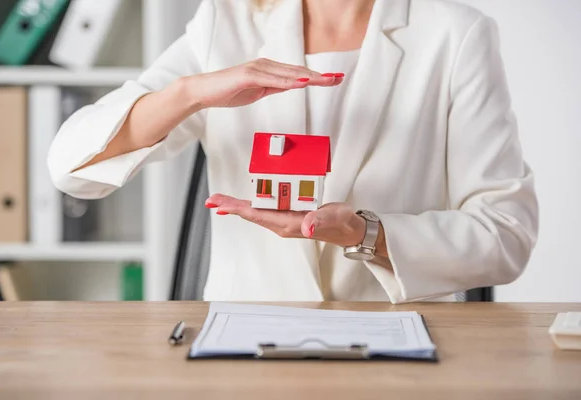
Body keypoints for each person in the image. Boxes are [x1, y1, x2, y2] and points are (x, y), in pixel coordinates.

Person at [48, 0, 539, 303]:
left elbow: (506, 234)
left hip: (397, 346)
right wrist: (189, 93)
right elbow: (71, 168)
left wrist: (365, 233)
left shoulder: (456, 32)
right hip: (243, 347)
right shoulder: (224, 20)